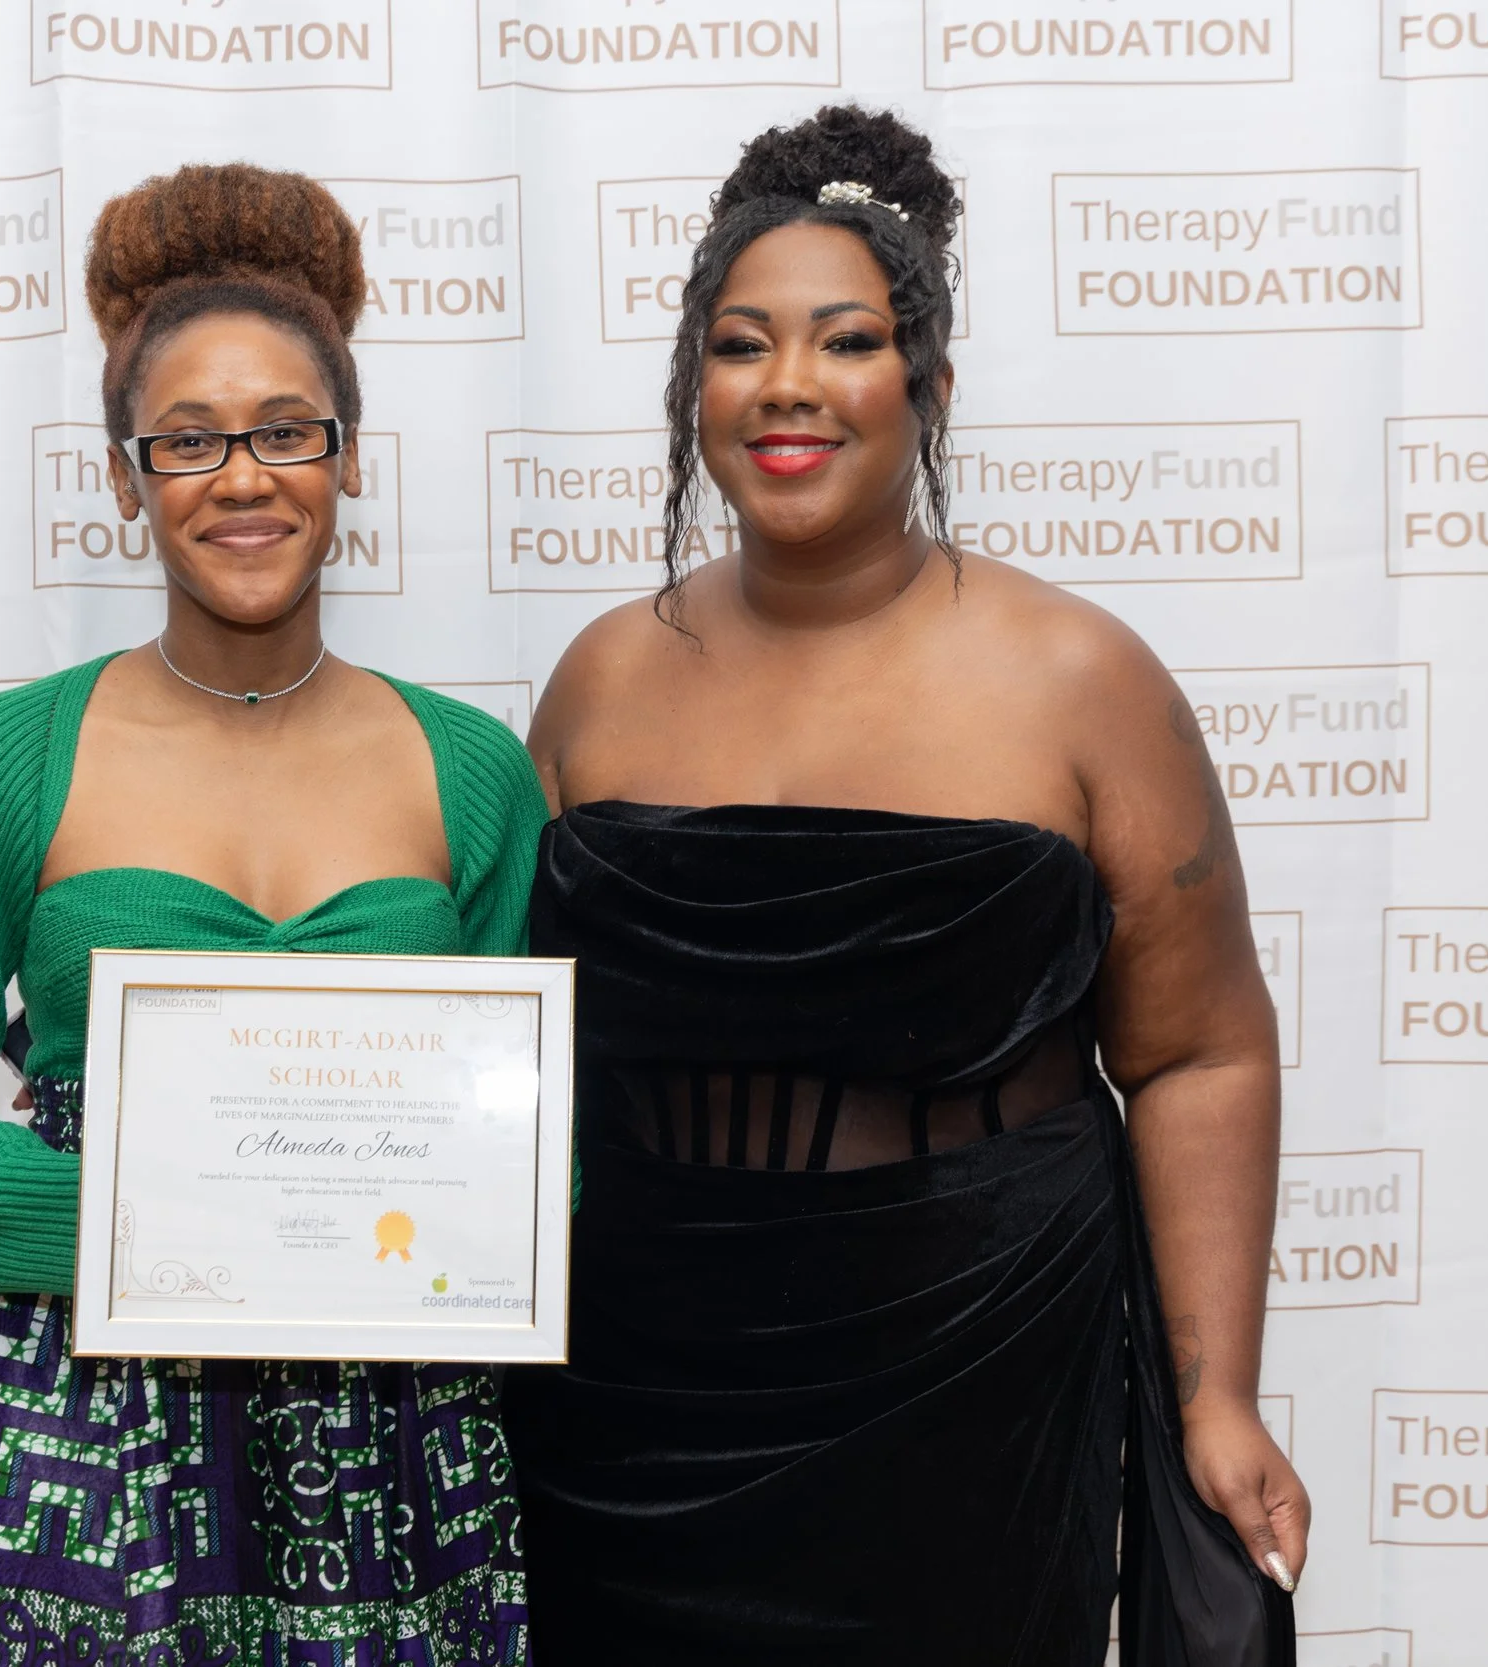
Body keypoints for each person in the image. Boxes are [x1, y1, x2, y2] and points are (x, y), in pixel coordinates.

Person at [502, 106, 1309, 1664]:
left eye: (844, 340)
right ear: (695, 392)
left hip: (974, 1365)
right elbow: (517, 1044)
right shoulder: (599, 678)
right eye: (740, 347)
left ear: (928, 387)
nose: (787, 385)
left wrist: (1217, 1396)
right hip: (634, 1383)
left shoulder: (1085, 678)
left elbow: (1201, 1049)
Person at [0, 163, 545, 1666]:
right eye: (189, 439)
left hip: (386, 1454)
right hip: (63, 1442)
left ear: (346, 458)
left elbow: (545, 1147)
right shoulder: (3, 760)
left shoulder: (476, 773)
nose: (244, 475)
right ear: (126, 474)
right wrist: (159, 1228)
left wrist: (474, 1231)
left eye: (285, 431)